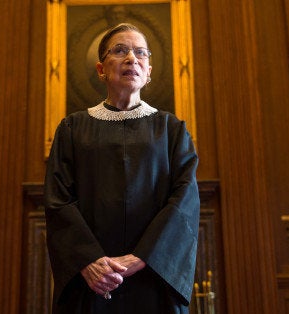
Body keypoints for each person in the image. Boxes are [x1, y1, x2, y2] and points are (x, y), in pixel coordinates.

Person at [44, 23, 200, 313]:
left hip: (153, 277)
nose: (132, 58)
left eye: (141, 52)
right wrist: (88, 260)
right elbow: (58, 200)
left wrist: (143, 256)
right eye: (120, 50)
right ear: (101, 69)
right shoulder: (72, 128)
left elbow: (185, 201)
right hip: (91, 280)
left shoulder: (172, 130)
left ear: (149, 71)